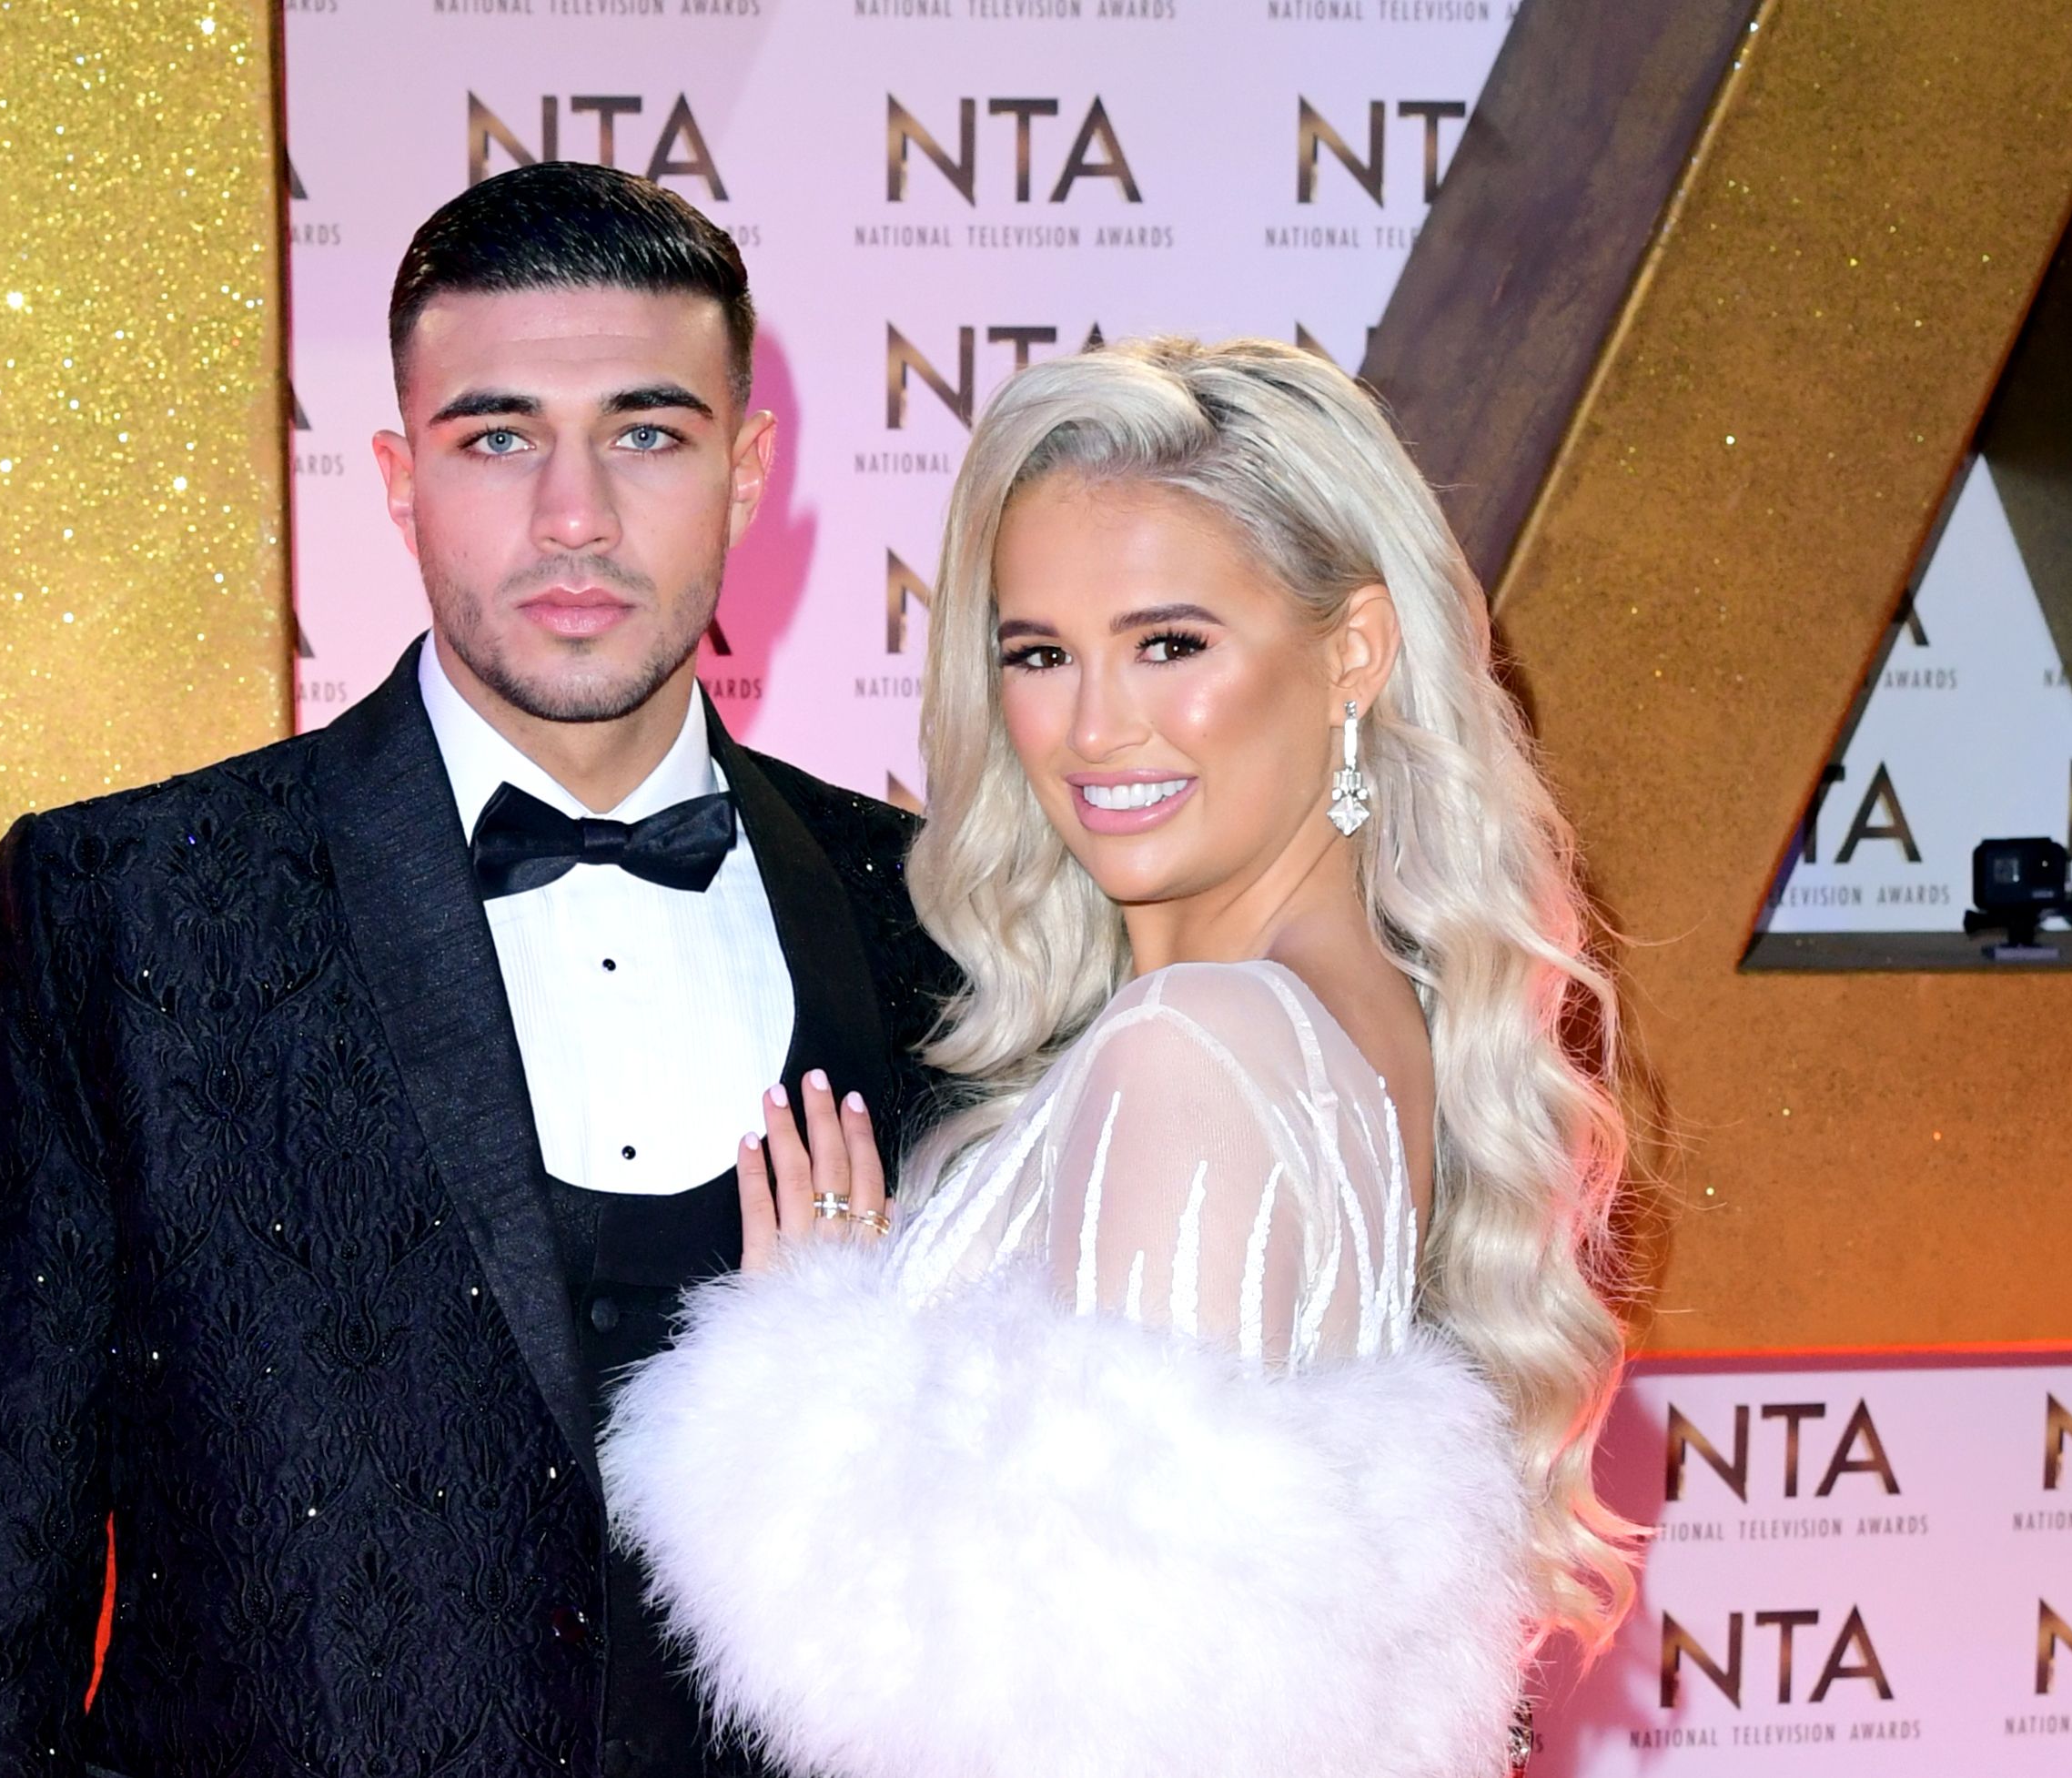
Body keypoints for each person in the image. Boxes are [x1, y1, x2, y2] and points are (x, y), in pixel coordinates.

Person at [0, 162, 954, 1778]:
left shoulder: (931, 916)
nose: (573, 515)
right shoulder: (121, 914)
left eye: (647, 434)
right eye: (497, 439)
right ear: (397, 478)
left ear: (748, 471)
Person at [601, 338, 1640, 1778]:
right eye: (1040, 653)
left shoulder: (1193, 1045)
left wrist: (795, 1391)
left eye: (1170, 644)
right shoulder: (1360, 1015)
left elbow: (1097, 1728)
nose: (1093, 728)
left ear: (1353, 653)